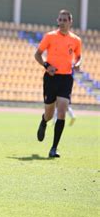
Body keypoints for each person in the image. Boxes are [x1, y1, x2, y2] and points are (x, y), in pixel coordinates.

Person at [34, 9, 82, 158]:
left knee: (61, 112)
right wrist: (47, 66)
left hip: (66, 79)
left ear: (70, 22)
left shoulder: (76, 40)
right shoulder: (50, 36)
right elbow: (37, 54)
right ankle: (43, 121)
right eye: (60, 20)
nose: (61, 22)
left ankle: (53, 148)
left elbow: (79, 57)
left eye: (64, 20)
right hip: (51, 79)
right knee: (49, 113)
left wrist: (77, 63)